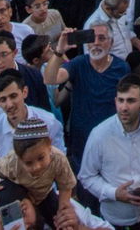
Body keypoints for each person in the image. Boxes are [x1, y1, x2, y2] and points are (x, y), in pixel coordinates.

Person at [78, 75, 140, 230]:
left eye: (131, 101)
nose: (124, 107)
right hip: (114, 220)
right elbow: (86, 176)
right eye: (120, 100)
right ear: (115, 101)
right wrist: (114, 193)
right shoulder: (99, 135)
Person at [46, 23, 128, 167]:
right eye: (92, 38)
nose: (96, 43)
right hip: (82, 138)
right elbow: (50, 79)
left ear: (111, 42)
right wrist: (59, 50)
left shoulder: (121, 68)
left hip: (112, 137)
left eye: (102, 38)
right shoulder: (78, 64)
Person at [0, 69, 65, 155]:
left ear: (25, 92)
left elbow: (60, 161)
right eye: (3, 100)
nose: (9, 105)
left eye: (13, 96)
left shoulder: (49, 123)